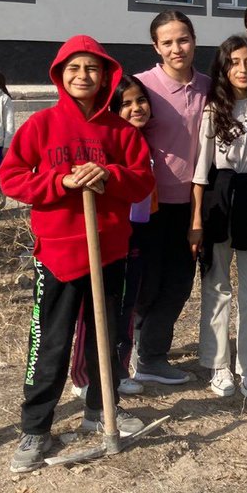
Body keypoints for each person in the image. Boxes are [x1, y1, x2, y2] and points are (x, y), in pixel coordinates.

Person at [0, 36, 154, 473]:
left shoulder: (120, 131)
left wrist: (109, 174)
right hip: (58, 253)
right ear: (59, 75)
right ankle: (35, 428)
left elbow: (141, 179)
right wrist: (60, 182)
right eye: (73, 68)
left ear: (106, 75)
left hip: (109, 251)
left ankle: (100, 409)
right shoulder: (41, 126)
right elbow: (11, 178)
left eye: (91, 68)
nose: (82, 76)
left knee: (108, 337)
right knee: (49, 342)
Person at [191, 36, 247, 401]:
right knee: (216, 286)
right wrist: (196, 219)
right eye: (235, 62)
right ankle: (218, 363)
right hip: (220, 201)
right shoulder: (214, 109)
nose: (243, 69)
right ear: (224, 68)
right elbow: (200, 171)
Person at [133, 11, 209, 386]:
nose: (177, 48)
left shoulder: (209, 86)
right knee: (147, 281)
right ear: (156, 47)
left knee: (179, 282)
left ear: (194, 39)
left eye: (183, 39)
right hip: (149, 205)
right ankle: (132, 347)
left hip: (193, 203)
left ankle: (151, 356)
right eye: (168, 42)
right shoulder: (140, 87)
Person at [69, 75, 155, 399]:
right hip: (110, 236)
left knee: (126, 306)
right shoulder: (111, 142)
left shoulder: (145, 141)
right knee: (95, 310)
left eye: (140, 101)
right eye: (126, 104)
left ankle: (118, 369)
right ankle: (83, 374)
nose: (136, 108)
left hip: (138, 235)